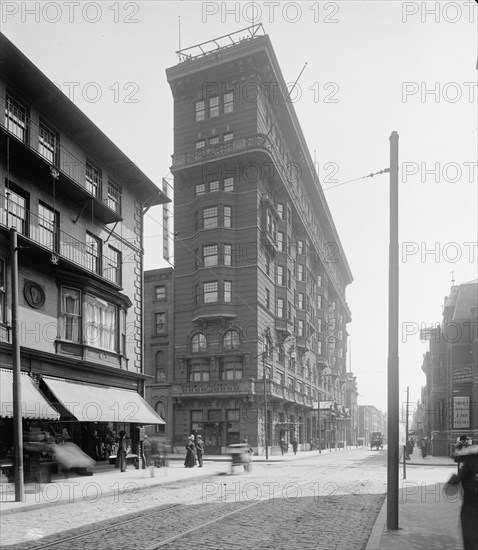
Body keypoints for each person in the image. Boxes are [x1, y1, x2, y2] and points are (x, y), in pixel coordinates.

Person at [445, 446, 478, 550]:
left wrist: (454, 479)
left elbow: (449, 491)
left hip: (470, 512)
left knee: (471, 541)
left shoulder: (466, 468)